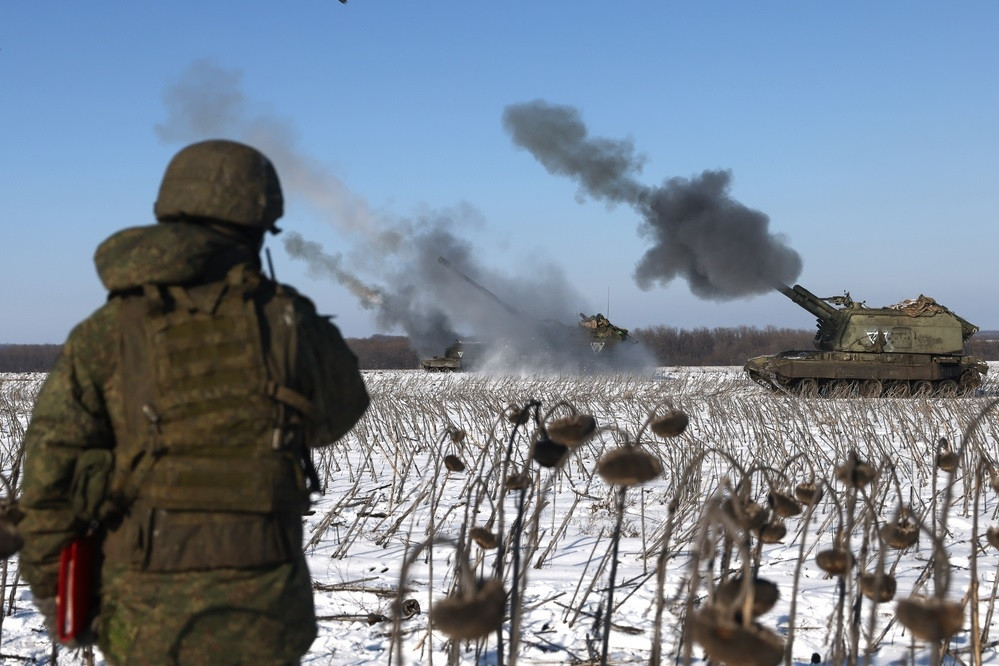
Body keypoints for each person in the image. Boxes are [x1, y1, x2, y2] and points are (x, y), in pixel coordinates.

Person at [18, 139, 370, 664]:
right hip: (266, 616)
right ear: (256, 225)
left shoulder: (107, 331)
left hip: (143, 620)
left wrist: (56, 596)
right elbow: (340, 413)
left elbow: (49, 486)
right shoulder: (290, 321)